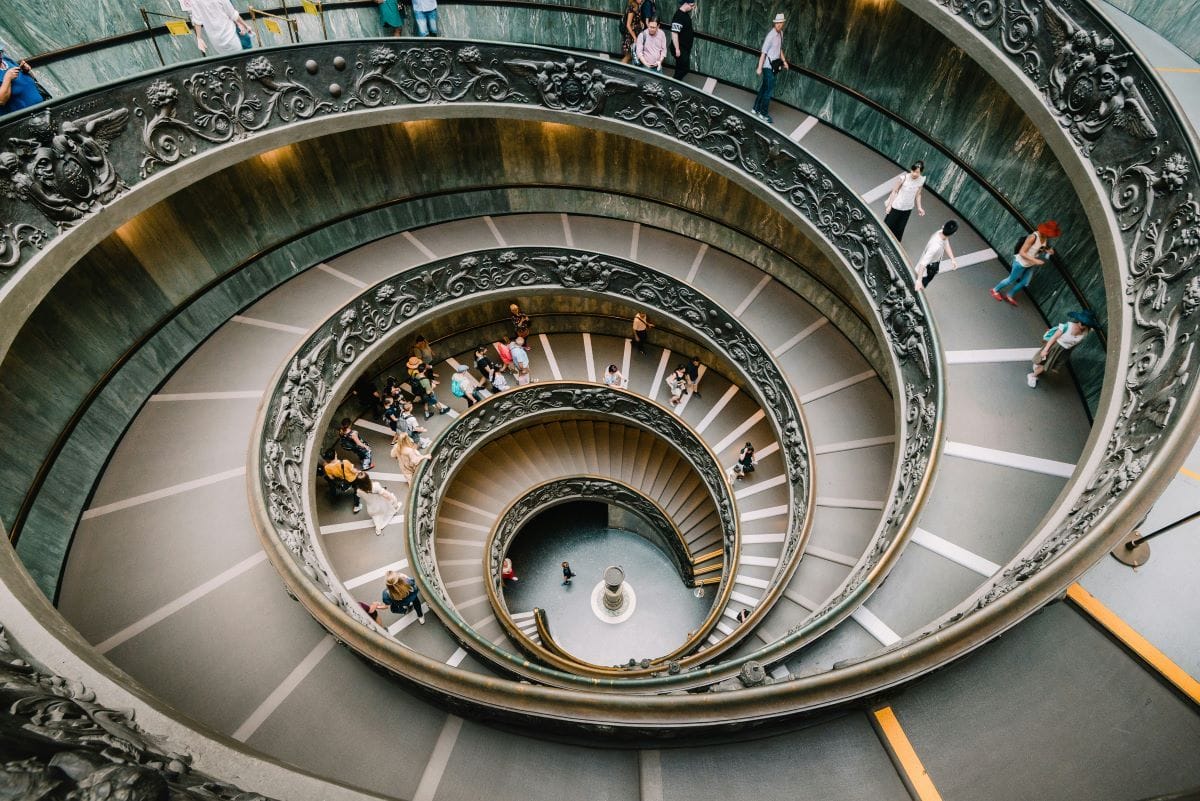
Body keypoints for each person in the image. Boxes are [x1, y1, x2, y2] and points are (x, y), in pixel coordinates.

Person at [991, 220, 1061, 307]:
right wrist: (1035, 261)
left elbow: (1038, 249)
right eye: (1050, 234)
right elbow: (1022, 252)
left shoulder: (1045, 238)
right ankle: (995, 290)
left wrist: (1047, 250)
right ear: (1045, 231)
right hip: (1021, 263)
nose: (1051, 236)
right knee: (1011, 280)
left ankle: (1009, 294)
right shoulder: (1033, 237)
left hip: (1030, 264)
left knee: (1024, 282)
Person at [1028, 310, 1097, 388]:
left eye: (1085, 324)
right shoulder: (1067, 326)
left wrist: (1063, 358)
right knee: (1044, 364)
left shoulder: (1085, 333)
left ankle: (1036, 369)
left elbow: (1073, 345)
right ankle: (1032, 376)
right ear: (1078, 320)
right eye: (1082, 322)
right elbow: (1054, 337)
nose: (1082, 325)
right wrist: (1045, 350)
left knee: (1046, 364)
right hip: (1055, 347)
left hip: (1064, 351)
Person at [752, 13, 788, 123]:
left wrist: (784, 61)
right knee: (769, 89)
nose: (779, 25)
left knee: (764, 87)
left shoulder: (781, 34)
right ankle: (763, 114)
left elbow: (780, 49)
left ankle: (755, 108)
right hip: (767, 67)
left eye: (780, 22)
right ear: (774, 23)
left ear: (783, 23)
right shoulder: (770, 36)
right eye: (777, 23)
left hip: (775, 66)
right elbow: (763, 53)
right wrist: (759, 68)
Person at [187, 0, 253, 56]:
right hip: (230, 36)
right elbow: (233, 14)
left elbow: (197, 20)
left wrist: (199, 38)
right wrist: (245, 25)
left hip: (216, 40)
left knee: (228, 62)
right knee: (242, 57)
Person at [883, 161, 927, 241]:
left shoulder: (921, 180)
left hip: (907, 208)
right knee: (888, 225)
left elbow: (918, 194)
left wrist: (919, 207)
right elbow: (894, 191)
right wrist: (889, 205)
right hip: (897, 206)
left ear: (921, 172)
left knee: (900, 228)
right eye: (913, 171)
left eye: (917, 172)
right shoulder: (904, 178)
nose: (914, 174)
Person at [913, 221, 960, 291]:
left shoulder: (941, 232)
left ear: (943, 226)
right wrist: (919, 281)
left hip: (933, 264)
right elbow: (923, 264)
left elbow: (946, 243)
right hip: (929, 268)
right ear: (953, 233)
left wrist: (952, 259)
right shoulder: (935, 246)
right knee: (921, 285)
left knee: (921, 281)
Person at [0, 42, 45, 116]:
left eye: (0, 52)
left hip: (42, 108)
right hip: (25, 118)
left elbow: (31, 80)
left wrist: (26, 71)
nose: (0, 55)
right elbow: (1, 101)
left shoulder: (7, 60)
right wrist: (7, 78)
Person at [670, 0, 696, 80]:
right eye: (691, 5)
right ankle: (674, 82)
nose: (692, 8)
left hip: (684, 48)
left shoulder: (684, 14)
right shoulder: (679, 16)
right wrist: (677, 49)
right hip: (680, 48)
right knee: (684, 68)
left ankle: (675, 83)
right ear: (685, 4)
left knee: (680, 68)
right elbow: (674, 33)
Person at [619, 0, 644, 64]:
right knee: (628, 55)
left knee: (632, 55)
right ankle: (620, 68)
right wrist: (634, 37)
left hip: (635, 34)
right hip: (630, 36)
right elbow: (628, 25)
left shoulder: (637, 5)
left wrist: (640, 21)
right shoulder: (632, 7)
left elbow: (635, 17)